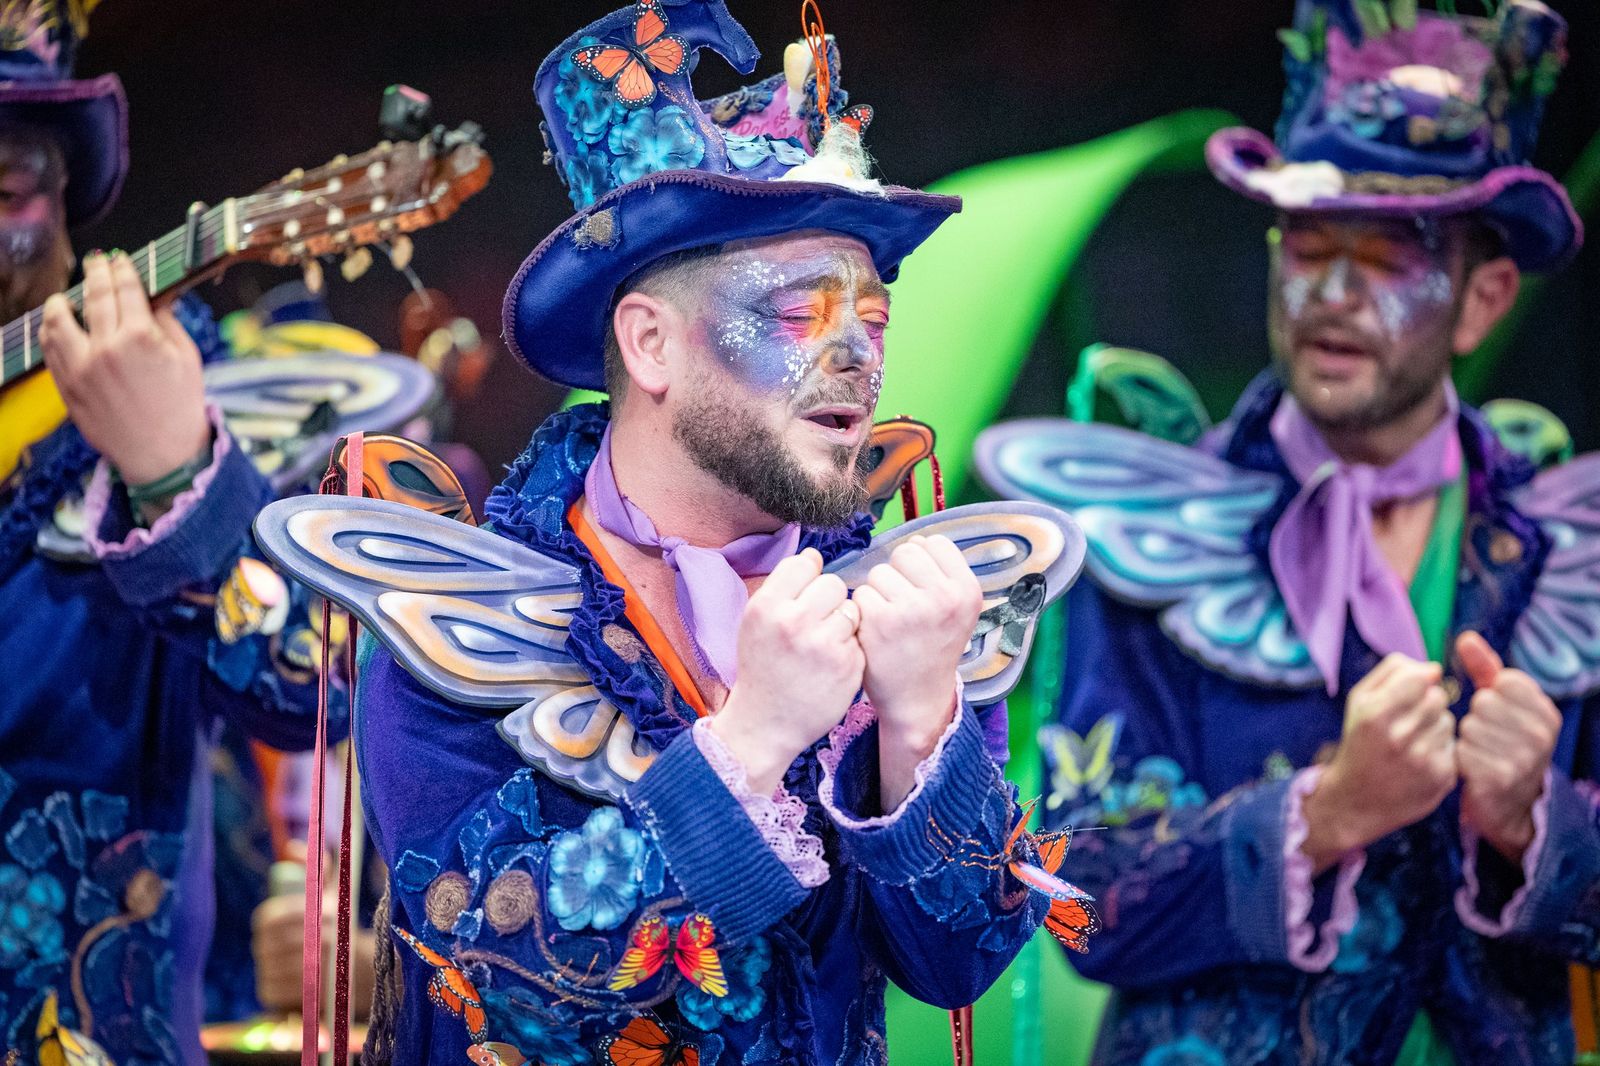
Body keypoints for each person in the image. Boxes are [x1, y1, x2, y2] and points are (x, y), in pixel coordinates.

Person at [254, 2, 1078, 1062]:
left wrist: (921, 720)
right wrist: (749, 742)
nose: (857, 357)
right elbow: (485, 985)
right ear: (649, 343)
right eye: (796, 313)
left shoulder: (900, 603)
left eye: (869, 317)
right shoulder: (454, 618)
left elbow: (954, 962)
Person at [975, 1, 1600, 1063]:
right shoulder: (1156, 528)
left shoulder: (1554, 550)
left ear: (1484, 297)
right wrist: (1323, 813)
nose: (1333, 295)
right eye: (1308, 245)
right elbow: (1071, 897)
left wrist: (1537, 822)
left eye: (1392, 258)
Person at [0, 4, 347, 1061]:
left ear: (65, 203)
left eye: (6, 187)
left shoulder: (189, 380)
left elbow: (313, 686)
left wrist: (172, 471)